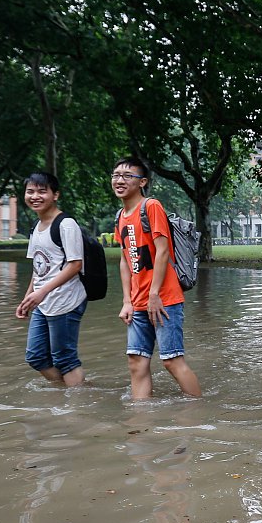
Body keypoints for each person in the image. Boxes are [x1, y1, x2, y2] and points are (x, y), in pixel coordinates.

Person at [112, 157, 202, 400]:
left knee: (171, 360)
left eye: (126, 175)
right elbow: (125, 260)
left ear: (142, 182)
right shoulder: (121, 215)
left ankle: (199, 411)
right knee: (136, 361)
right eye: (116, 175)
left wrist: (154, 295)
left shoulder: (151, 206)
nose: (119, 180)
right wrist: (127, 301)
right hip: (137, 301)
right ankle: (141, 419)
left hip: (164, 298)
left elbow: (162, 251)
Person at [16, 171, 88, 387]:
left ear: (55, 195)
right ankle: (70, 390)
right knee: (36, 356)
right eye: (30, 191)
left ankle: (78, 401)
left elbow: (76, 265)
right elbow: (38, 267)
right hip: (43, 302)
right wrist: (28, 297)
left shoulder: (66, 224)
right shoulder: (36, 228)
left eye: (41, 191)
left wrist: (42, 291)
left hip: (66, 300)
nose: (35, 196)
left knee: (65, 358)